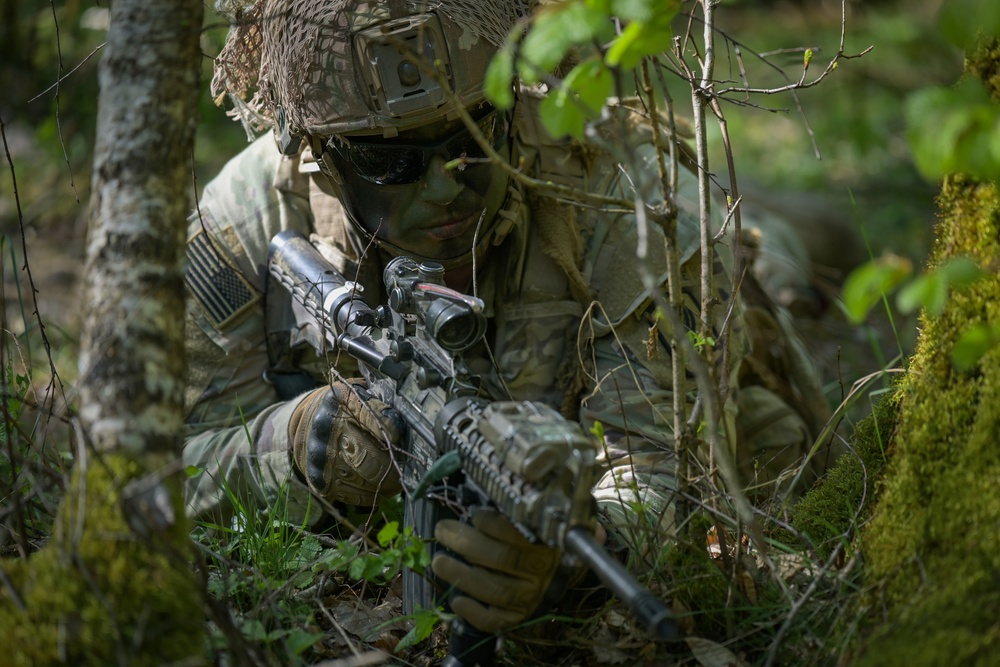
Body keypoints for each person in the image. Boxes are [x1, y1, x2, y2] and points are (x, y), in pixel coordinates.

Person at [183, 0, 829, 636]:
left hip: (716, 284)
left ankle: (800, 248)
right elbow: (162, 465)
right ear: (320, 157)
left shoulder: (626, 203)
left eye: (469, 138)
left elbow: (664, 465)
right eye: (389, 162)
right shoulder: (252, 215)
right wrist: (292, 442)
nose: (442, 187)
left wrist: (575, 563)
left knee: (776, 277)